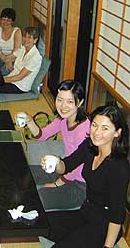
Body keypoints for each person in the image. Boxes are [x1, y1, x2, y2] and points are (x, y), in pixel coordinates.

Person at [43, 104, 130, 247]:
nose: (97, 132)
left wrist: (107, 246)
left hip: (105, 223)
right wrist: (55, 162)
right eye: (94, 125)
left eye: (105, 128)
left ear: (117, 132)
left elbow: (117, 214)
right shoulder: (89, 146)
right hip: (86, 211)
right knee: (42, 223)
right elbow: (66, 166)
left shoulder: (119, 167)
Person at [25, 80, 90, 211]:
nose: (63, 106)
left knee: (36, 199)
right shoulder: (63, 119)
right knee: (25, 173)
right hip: (64, 169)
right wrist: (29, 121)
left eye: (70, 102)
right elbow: (42, 135)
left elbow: (77, 167)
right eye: (60, 100)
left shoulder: (84, 130)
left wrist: (56, 184)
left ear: (80, 102)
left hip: (80, 186)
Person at [0, 27, 42, 94]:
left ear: (35, 40)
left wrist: (2, 80)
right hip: (11, 79)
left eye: (29, 37)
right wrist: (0, 53)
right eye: (24, 36)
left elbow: (20, 77)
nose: (26, 39)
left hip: (19, 86)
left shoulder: (35, 57)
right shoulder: (23, 49)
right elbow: (8, 58)